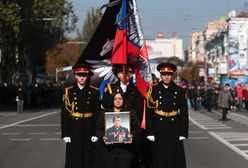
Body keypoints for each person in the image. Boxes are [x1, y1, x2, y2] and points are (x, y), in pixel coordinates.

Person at [146, 62, 189, 168]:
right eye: (164, 74)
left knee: (174, 156)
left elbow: (184, 113)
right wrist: (149, 132)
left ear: (172, 75)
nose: (166, 77)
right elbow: (149, 113)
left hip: (174, 127)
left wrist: (183, 132)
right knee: (159, 156)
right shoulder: (153, 90)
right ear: (160, 75)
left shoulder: (179, 91)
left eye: (168, 74)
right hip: (158, 127)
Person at [61, 64, 101, 168]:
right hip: (74, 127)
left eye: (84, 75)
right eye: (79, 75)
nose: (82, 77)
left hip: (89, 127)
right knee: (74, 156)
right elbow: (64, 114)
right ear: (75, 76)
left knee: (89, 156)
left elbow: (97, 114)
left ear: (88, 76)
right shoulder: (69, 92)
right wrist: (65, 133)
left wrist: (96, 133)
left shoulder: (94, 92)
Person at [95, 91, 141, 168]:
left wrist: (131, 136)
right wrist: (103, 137)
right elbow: (99, 129)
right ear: (112, 100)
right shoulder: (105, 113)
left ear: (124, 100)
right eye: (115, 99)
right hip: (109, 150)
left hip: (126, 151)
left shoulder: (131, 113)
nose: (118, 101)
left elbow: (137, 129)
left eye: (120, 98)